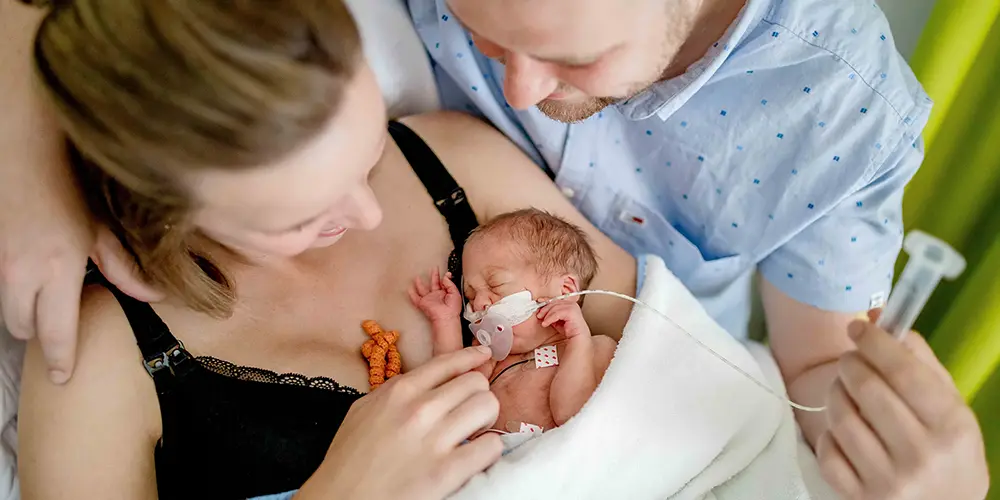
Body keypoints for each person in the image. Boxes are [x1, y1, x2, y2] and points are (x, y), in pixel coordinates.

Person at [12, 1, 636, 499]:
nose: (369, 214)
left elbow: (665, 351)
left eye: (369, 156)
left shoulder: (453, 161)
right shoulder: (100, 356)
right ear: (161, 214)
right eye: (304, 217)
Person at [406, 0, 990, 497]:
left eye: (577, 58)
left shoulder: (842, 113)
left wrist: (905, 452)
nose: (520, 92)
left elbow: (818, 373)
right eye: (484, 35)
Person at [410, 209, 617, 436]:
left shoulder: (594, 349)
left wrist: (578, 342)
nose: (479, 303)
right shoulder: (491, 356)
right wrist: (446, 320)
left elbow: (572, 415)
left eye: (496, 285)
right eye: (470, 295)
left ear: (565, 291)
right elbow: (452, 397)